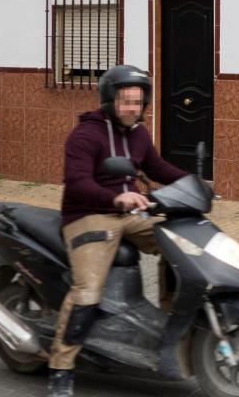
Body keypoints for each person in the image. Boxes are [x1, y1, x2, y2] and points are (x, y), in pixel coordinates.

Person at [47, 65, 187, 397]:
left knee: (180, 244)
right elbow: (77, 184)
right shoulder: (85, 135)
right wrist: (115, 197)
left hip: (131, 211)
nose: (133, 109)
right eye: (126, 102)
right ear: (110, 100)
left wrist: (192, 185)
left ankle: (170, 317)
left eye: (138, 102)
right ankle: (61, 368)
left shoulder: (139, 133)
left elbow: (157, 167)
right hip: (90, 215)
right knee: (87, 292)